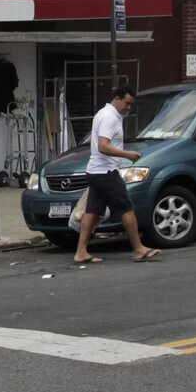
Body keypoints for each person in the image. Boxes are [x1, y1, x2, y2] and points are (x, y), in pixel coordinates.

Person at [72, 84, 159, 264]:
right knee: (126, 207)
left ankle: (81, 252)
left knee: (93, 210)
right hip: (106, 172)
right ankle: (138, 249)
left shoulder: (106, 114)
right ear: (117, 99)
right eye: (126, 103)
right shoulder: (110, 117)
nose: (128, 107)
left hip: (96, 171)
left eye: (131, 105)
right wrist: (128, 154)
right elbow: (103, 146)